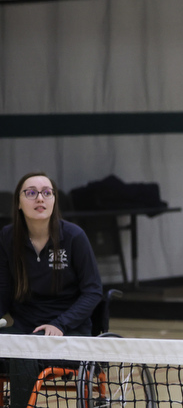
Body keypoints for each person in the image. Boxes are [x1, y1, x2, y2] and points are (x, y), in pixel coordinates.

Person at [0, 172, 103, 408]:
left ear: (54, 200)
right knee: (20, 344)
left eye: (47, 193)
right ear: (18, 202)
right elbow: (3, 291)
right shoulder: (7, 238)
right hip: (25, 330)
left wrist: (60, 324)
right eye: (31, 193)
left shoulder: (74, 236)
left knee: (23, 349)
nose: (40, 198)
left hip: (70, 334)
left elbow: (93, 291)